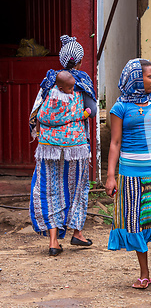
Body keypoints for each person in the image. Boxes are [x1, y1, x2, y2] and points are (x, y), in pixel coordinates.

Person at [105, 58, 151, 289]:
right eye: (149, 76)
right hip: (130, 172)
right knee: (135, 222)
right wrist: (110, 175)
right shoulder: (120, 108)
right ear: (136, 78)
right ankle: (144, 272)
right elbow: (115, 143)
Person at [29, 35, 97, 257]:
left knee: (49, 189)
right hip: (75, 147)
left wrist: (37, 129)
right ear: (79, 60)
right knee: (77, 187)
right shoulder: (82, 81)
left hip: (48, 146)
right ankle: (77, 232)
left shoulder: (49, 81)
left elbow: (35, 112)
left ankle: (53, 241)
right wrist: (80, 115)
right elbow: (92, 109)